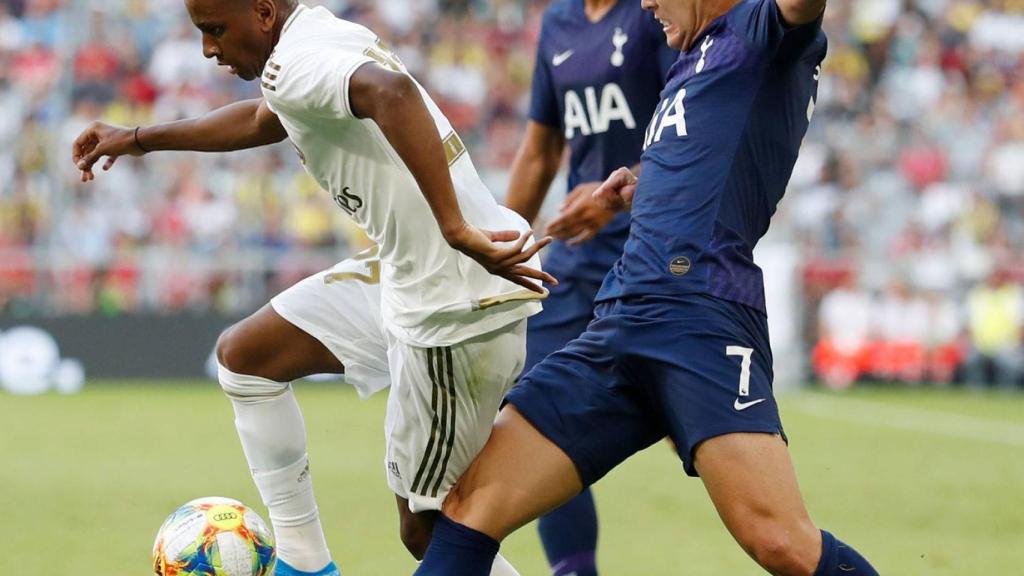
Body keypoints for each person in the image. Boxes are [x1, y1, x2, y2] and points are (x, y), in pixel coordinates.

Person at [71, 2, 557, 576]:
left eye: (216, 30)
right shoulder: (313, 36)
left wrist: (453, 226)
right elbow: (264, 119)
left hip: (452, 302)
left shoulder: (298, 61)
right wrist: (136, 138)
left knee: (430, 530)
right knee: (247, 357)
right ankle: (305, 564)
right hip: (408, 271)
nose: (208, 49)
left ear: (263, 12)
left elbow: (393, 92)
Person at [414, 1, 880, 575]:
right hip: (619, 319)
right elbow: (708, 156)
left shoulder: (760, 30)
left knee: (781, 542)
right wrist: (637, 187)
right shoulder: (694, 55)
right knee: (470, 508)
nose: (645, 4)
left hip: (699, 319)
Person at [504, 0, 675, 574]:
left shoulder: (655, 12)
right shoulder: (559, 23)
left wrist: (623, 194)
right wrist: (498, 245)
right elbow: (541, 150)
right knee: (530, 415)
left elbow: (693, 128)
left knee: (699, 434)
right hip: (577, 260)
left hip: (654, 253)